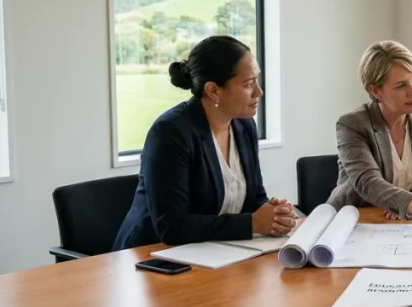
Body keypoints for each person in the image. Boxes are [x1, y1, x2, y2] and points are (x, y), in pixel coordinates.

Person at [112, 36, 295, 250]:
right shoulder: (170, 132)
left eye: (257, 80)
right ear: (213, 90)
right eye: (248, 84)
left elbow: (255, 198)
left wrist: (274, 213)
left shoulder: (245, 126)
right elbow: (172, 226)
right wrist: (253, 222)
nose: (259, 92)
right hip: (152, 256)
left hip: (215, 253)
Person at [327, 40, 412, 235]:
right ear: (375, 91)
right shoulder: (352, 124)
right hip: (353, 226)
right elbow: (368, 183)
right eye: (401, 85)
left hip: (406, 227)